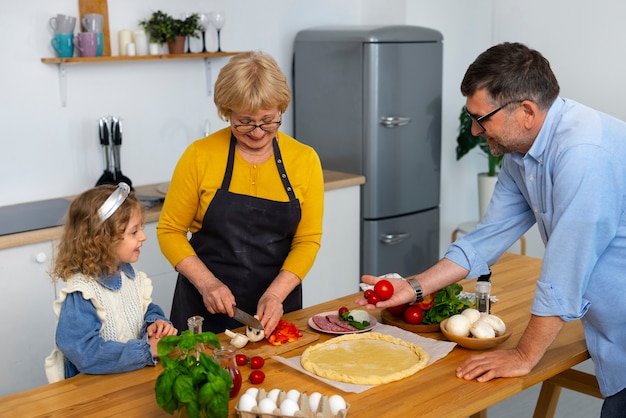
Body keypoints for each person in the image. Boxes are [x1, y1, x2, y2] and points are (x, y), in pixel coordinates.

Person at [356, 42, 626, 417]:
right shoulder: (522, 154)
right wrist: (414, 287)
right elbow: (486, 238)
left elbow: (566, 271)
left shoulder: (583, 154)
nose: (475, 130)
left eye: (482, 118)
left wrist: (524, 355)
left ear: (527, 112)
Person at [157, 51, 324, 336]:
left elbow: (307, 240)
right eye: (245, 122)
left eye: (269, 120)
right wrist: (207, 284)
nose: (258, 132)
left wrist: (275, 295)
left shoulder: (304, 160)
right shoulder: (200, 156)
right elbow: (170, 231)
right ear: (226, 112)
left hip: (275, 309)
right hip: (204, 309)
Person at [45, 183, 178, 383]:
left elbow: (144, 310)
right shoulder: (83, 293)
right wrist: (147, 349)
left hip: (126, 382)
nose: (143, 236)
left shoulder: (131, 276)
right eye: (134, 232)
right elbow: (85, 353)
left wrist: (154, 324)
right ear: (102, 241)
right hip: (92, 393)